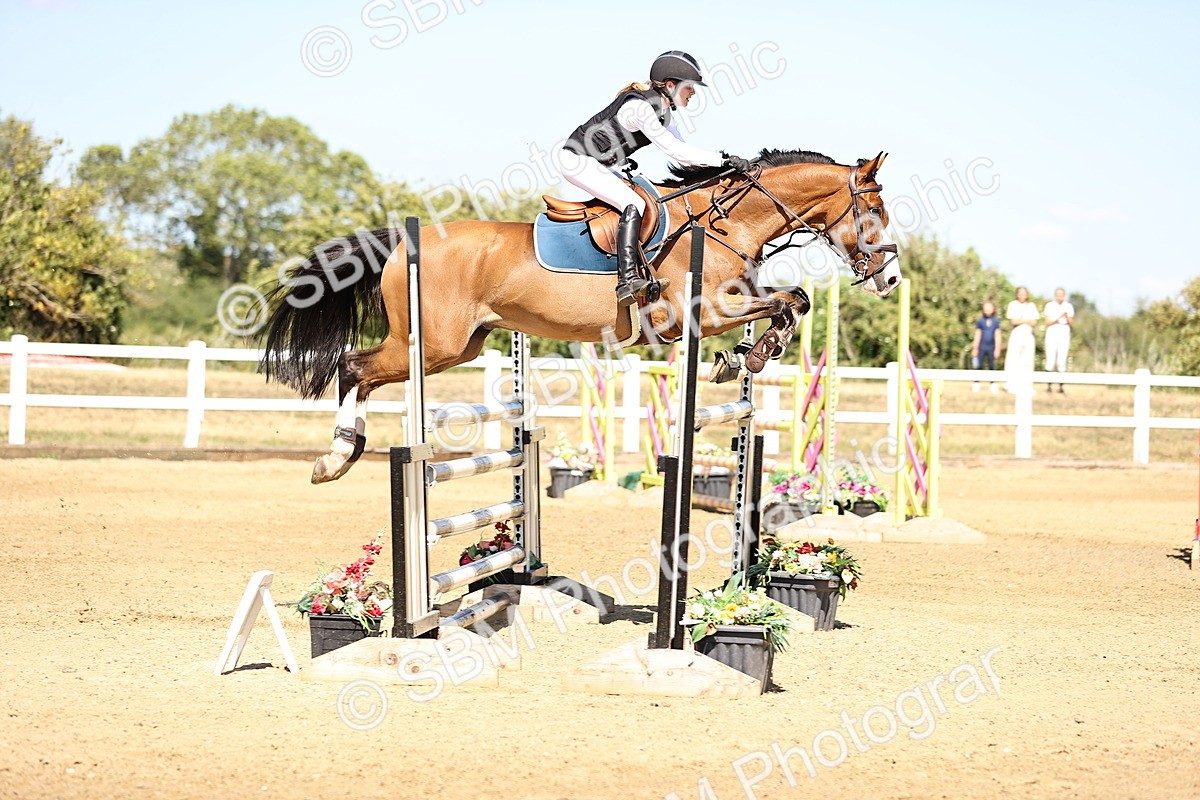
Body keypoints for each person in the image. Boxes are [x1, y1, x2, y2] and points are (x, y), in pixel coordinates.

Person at [558, 51, 752, 306]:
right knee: (635, 204)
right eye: (689, 87)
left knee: (646, 198)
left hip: (597, 163)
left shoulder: (663, 111)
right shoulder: (639, 107)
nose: (692, 93)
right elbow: (676, 151)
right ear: (670, 85)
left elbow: (684, 154)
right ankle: (626, 280)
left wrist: (723, 163)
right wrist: (723, 159)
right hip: (577, 160)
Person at [1004, 286, 1039, 393]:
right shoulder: (1012, 304)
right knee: (1013, 359)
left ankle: (1027, 385)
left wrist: (1022, 320)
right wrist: (1026, 320)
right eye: (1020, 293)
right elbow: (1013, 321)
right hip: (1016, 333)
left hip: (1028, 333)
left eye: (1024, 293)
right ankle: (1011, 384)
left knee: (1027, 360)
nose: (1022, 295)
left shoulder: (1031, 306)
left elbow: (1034, 322)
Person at [1043, 287, 1075, 393]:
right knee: (1050, 359)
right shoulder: (1050, 305)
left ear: (1064, 295)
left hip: (1064, 334)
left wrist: (1066, 316)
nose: (1059, 296)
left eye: (1061, 294)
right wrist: (1058, 317)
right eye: (1057, 294)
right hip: (1052, 333)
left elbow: (1071, 323)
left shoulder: (1068, 306)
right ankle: (1049, 386)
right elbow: (1047, 322)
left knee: (1062, 360)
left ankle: (1061, 386)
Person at [970, 301, 1003, 392]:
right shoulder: (980, 321)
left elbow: (997, 334)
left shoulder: (996, 321)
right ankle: (976, 382)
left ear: (993, 309)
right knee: (978, 365)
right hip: (982, 346)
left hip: (991, 346)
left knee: (992, 365)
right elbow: (978, 333)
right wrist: (975, 347)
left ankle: (992, 383)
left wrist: (997, 348)